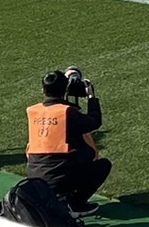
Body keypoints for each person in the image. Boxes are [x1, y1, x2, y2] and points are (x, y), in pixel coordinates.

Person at [27, 69, 109, 217]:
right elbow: (94, 122)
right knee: (101, 164)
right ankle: (75, 204)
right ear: (65, 89)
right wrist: (92, 97)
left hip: (34, 177)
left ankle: (64, 199)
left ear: (43, 90)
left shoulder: (34, 111)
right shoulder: (67, 112)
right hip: (58, 179)